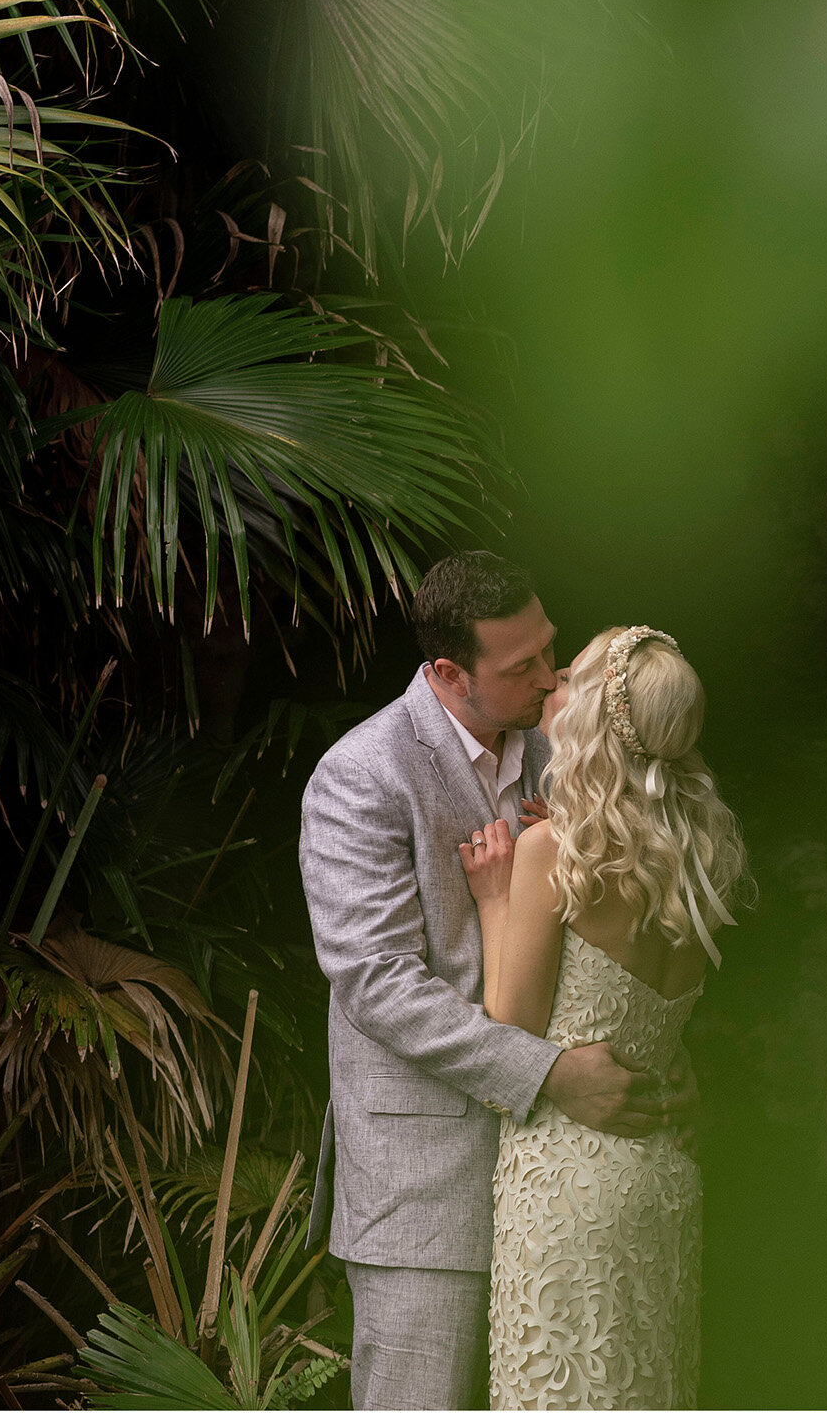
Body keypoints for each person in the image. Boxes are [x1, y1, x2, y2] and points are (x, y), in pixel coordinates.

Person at [300, 553, 698, 1410]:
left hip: (571, 1189)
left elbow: (637, 916)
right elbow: (377, 984)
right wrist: (552, 1073)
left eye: (550, 650)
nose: (551, 677)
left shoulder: (575, 745)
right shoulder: (361, 775)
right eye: (522, 667)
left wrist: (651, 1048)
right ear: (449, 672)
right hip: (426, 1189)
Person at [460, 625, 750, 1409]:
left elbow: (510, 1028)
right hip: (660, 1171)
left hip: (568, 1181)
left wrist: (493, 902)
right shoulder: (704, 852)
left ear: (593, 715)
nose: (551, 682)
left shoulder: (554, 851)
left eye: (568, 677)